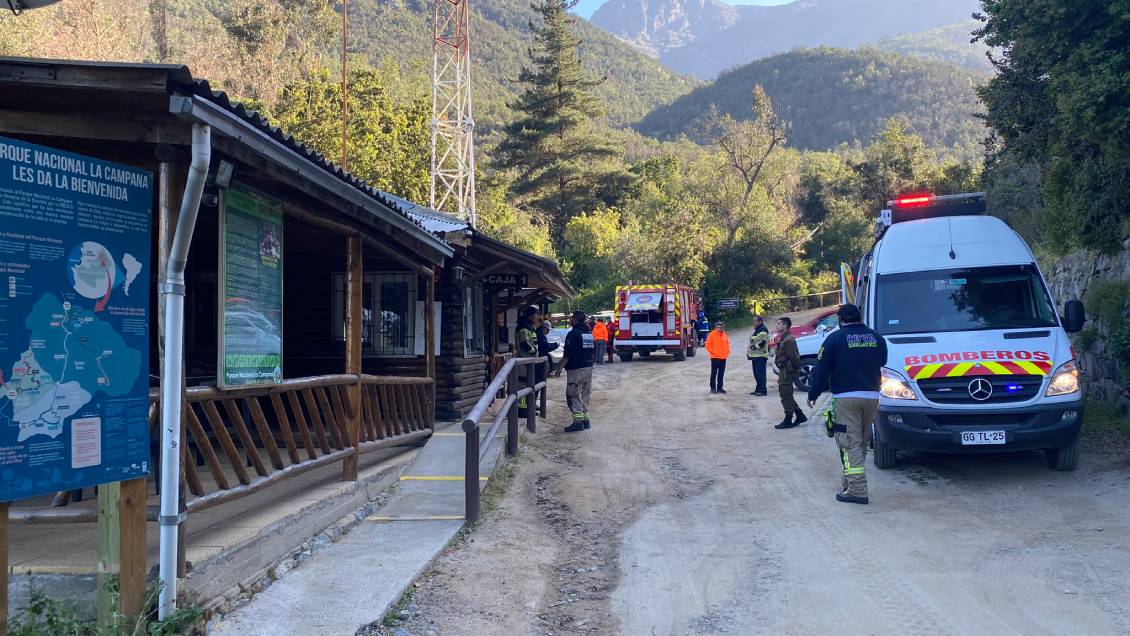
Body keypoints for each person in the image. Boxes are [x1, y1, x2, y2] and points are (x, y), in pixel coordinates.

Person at [807, 304, 888, 505]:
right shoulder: (876, 337)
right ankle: (849, 482)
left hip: (846, 397)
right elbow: (883, 360)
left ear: (841, 319)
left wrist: (813, 393)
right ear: (859, 317)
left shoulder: (834, 339)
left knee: (849, 442)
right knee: (859, 440)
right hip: (872, 396)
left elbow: (821, 369)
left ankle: (858, 491)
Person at [560, 310, 594, 432]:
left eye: (572, 318)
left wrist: (559, 368)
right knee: (585, 394)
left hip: (576, 369)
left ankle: (578, 422)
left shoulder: (573, 334)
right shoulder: (589, 333)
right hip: (588, 368)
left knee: (573, 395)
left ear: (575, 319)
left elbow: (568, 353)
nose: (570, 320)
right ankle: (586, 421)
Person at [774, 316, 808, 429]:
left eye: (779, 324)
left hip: (787, 370)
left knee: (785, 395)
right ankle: (800, 415)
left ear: (785, 326)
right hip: (785, 370)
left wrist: (796, 369)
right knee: (786, 393)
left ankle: (788, 420)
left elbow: (793, 356)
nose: (777, 326)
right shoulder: (784, 338)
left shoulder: (789, 339)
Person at [515, 306, 539, 416]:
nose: (537, 317)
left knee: (529, 383)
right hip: (523, 360)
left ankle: (528, 408)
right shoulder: (524, 326)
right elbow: (524, 343)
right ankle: (522, 410)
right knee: (522, 384)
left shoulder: (530, 326)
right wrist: (533, 352)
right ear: (530, 315)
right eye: (536, 315)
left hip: (528, 360)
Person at [747, 315, 770, 396]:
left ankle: (763, 391)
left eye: (755, 321)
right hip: (756, 355)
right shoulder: (757, 329)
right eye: (753, 321)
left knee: (760, 374)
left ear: (760, 321)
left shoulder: (763, 329)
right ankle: (758, 389)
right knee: (756, 374)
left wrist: (754, 347)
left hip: (761, 355)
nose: (753, 323)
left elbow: (763, 342)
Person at [705, 321, 730, 394]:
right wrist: (713, 352)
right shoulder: (712, 335)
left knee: (721, 374)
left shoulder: (725, 335)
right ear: (715, 327)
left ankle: (720, 388)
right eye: (718, 327)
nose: (719, 328)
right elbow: (707, 345)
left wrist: (727, 352)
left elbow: (727, 345)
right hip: (715, 357)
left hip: (723, 358)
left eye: (720, 327)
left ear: (723, 327)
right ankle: (712, 388)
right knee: (714, 373)